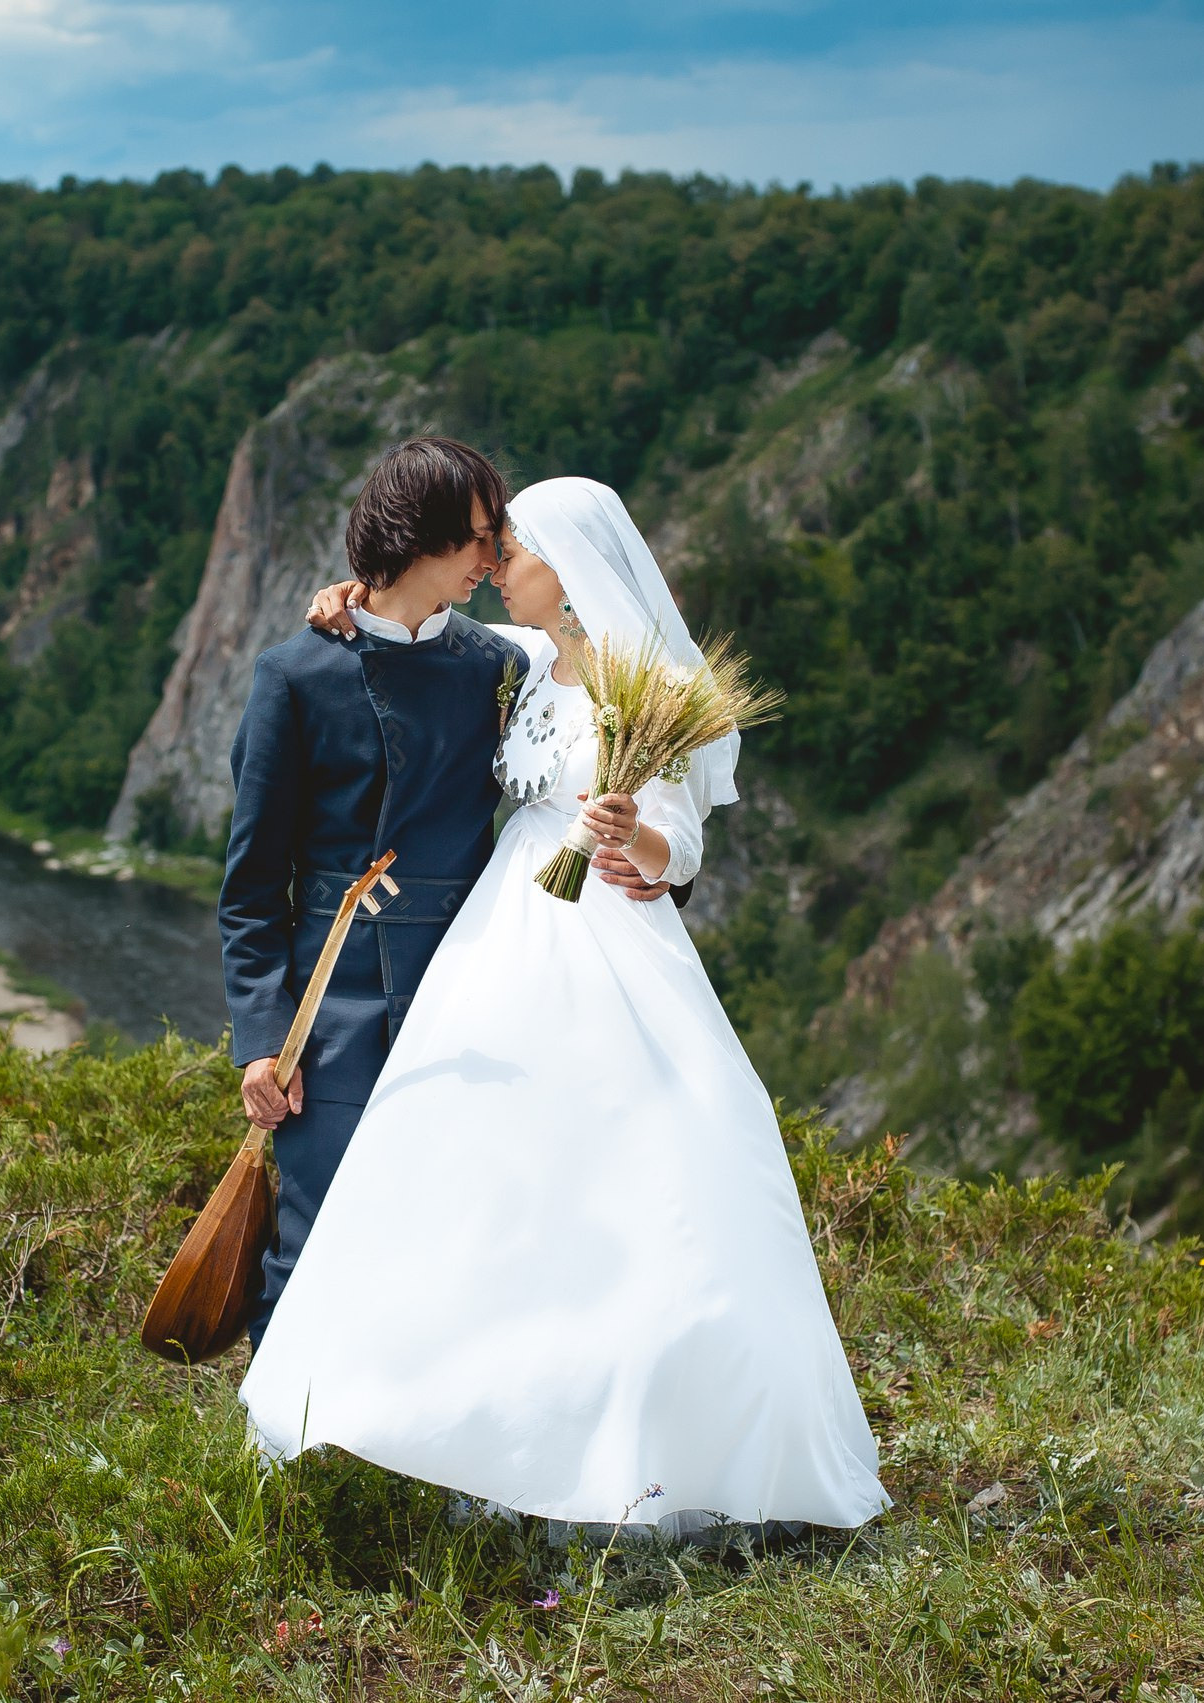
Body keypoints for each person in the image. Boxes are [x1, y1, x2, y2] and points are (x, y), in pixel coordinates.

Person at [240, 477, 888, 1534]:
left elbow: (682, 844)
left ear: (572, 564)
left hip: (602, 934)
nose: (496, 560)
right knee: (481, 1180)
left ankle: (625, 1435)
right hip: (502, 933)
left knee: (626, 1181)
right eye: (489, 545)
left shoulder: (654, 679)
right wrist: (347, 600)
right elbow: (416, 628)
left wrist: (633, 837)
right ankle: (457, 1409)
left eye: (516, 546)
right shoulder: (527, 658)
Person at [219, 439, 671, 1345]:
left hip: (474, 986)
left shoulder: (494, 664)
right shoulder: (295, 675)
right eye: (475, 536)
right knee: (313, 1233)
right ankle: (282, 1461)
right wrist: (262, 1039)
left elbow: (596, 713)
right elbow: (252, 884)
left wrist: (656, 863)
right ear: (415, 539)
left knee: (455, 1234)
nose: (491, 557)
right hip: (332, 997)